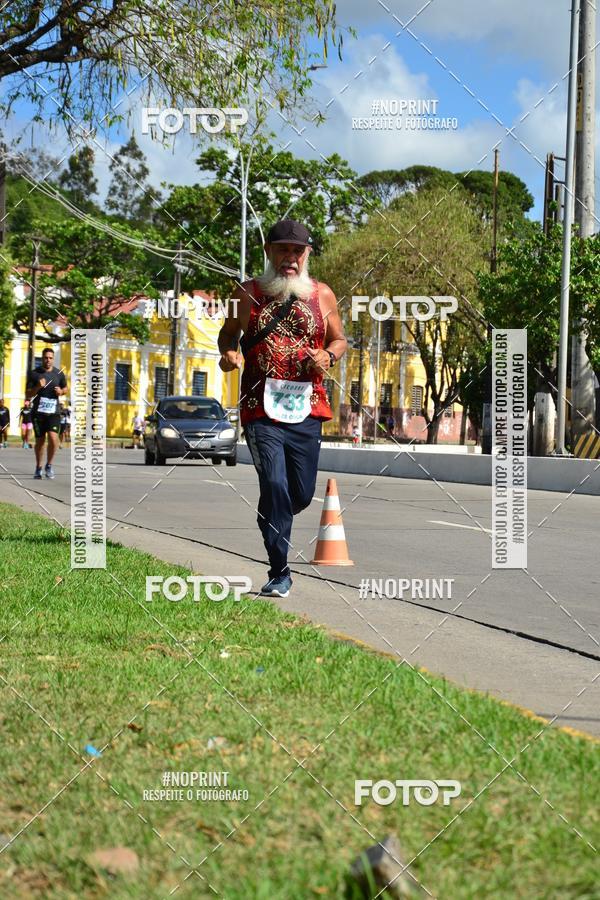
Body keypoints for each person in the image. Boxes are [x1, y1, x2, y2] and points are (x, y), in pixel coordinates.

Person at [218, 218, 347, 598]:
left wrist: (328, 355)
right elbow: (228, 333)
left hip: (307, 407)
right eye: (283, 250)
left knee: (301, 494)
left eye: (297, 251)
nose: (290, 257)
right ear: (269, 252)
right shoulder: (246, 293)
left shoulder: (323, 295)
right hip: (261, 408)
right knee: (274, 483)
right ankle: (280, 571)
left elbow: (339, 340)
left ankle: (271, 513)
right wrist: (228, 354)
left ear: (306, 255)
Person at [26, 347, 68, 479]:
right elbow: (27, 394)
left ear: (53, 359)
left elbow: (65, 387)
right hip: (38, 413)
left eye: (50, 358)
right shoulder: (34, 374)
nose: (48, 360)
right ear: (42, 358)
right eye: (46, 357)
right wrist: (38, 386)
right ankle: (38, 467)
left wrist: (61, 392)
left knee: (54, 439)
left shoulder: (58, 373)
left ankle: (49, 465)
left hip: (54, 412)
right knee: (40, 442)